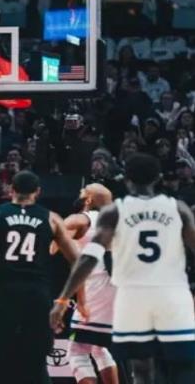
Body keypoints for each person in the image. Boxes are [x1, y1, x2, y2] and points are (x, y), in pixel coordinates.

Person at [50, 153, 195, 384]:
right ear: (158, 178)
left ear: (126, 180)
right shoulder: (178, 208)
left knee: (142, 367)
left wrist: (63, 299)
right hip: (171, 294)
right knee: (181, 366)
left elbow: (87, 259)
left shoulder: (114, 213)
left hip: (134, 295)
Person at [0, 170, 81, 384]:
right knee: (36, 363)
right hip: (38, 295)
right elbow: (77, 261)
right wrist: (64, 299)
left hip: (3, 293)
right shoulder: (52, 218)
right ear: (37, 192)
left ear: (11, 189)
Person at [54, 184, 119, 384]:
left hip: (96, 287)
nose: (79, 194)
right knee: (99, 347)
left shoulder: (82, 218)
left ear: (89, 199)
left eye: (82, 193)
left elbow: (53, 245)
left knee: (76, 351)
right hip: (117, 289)